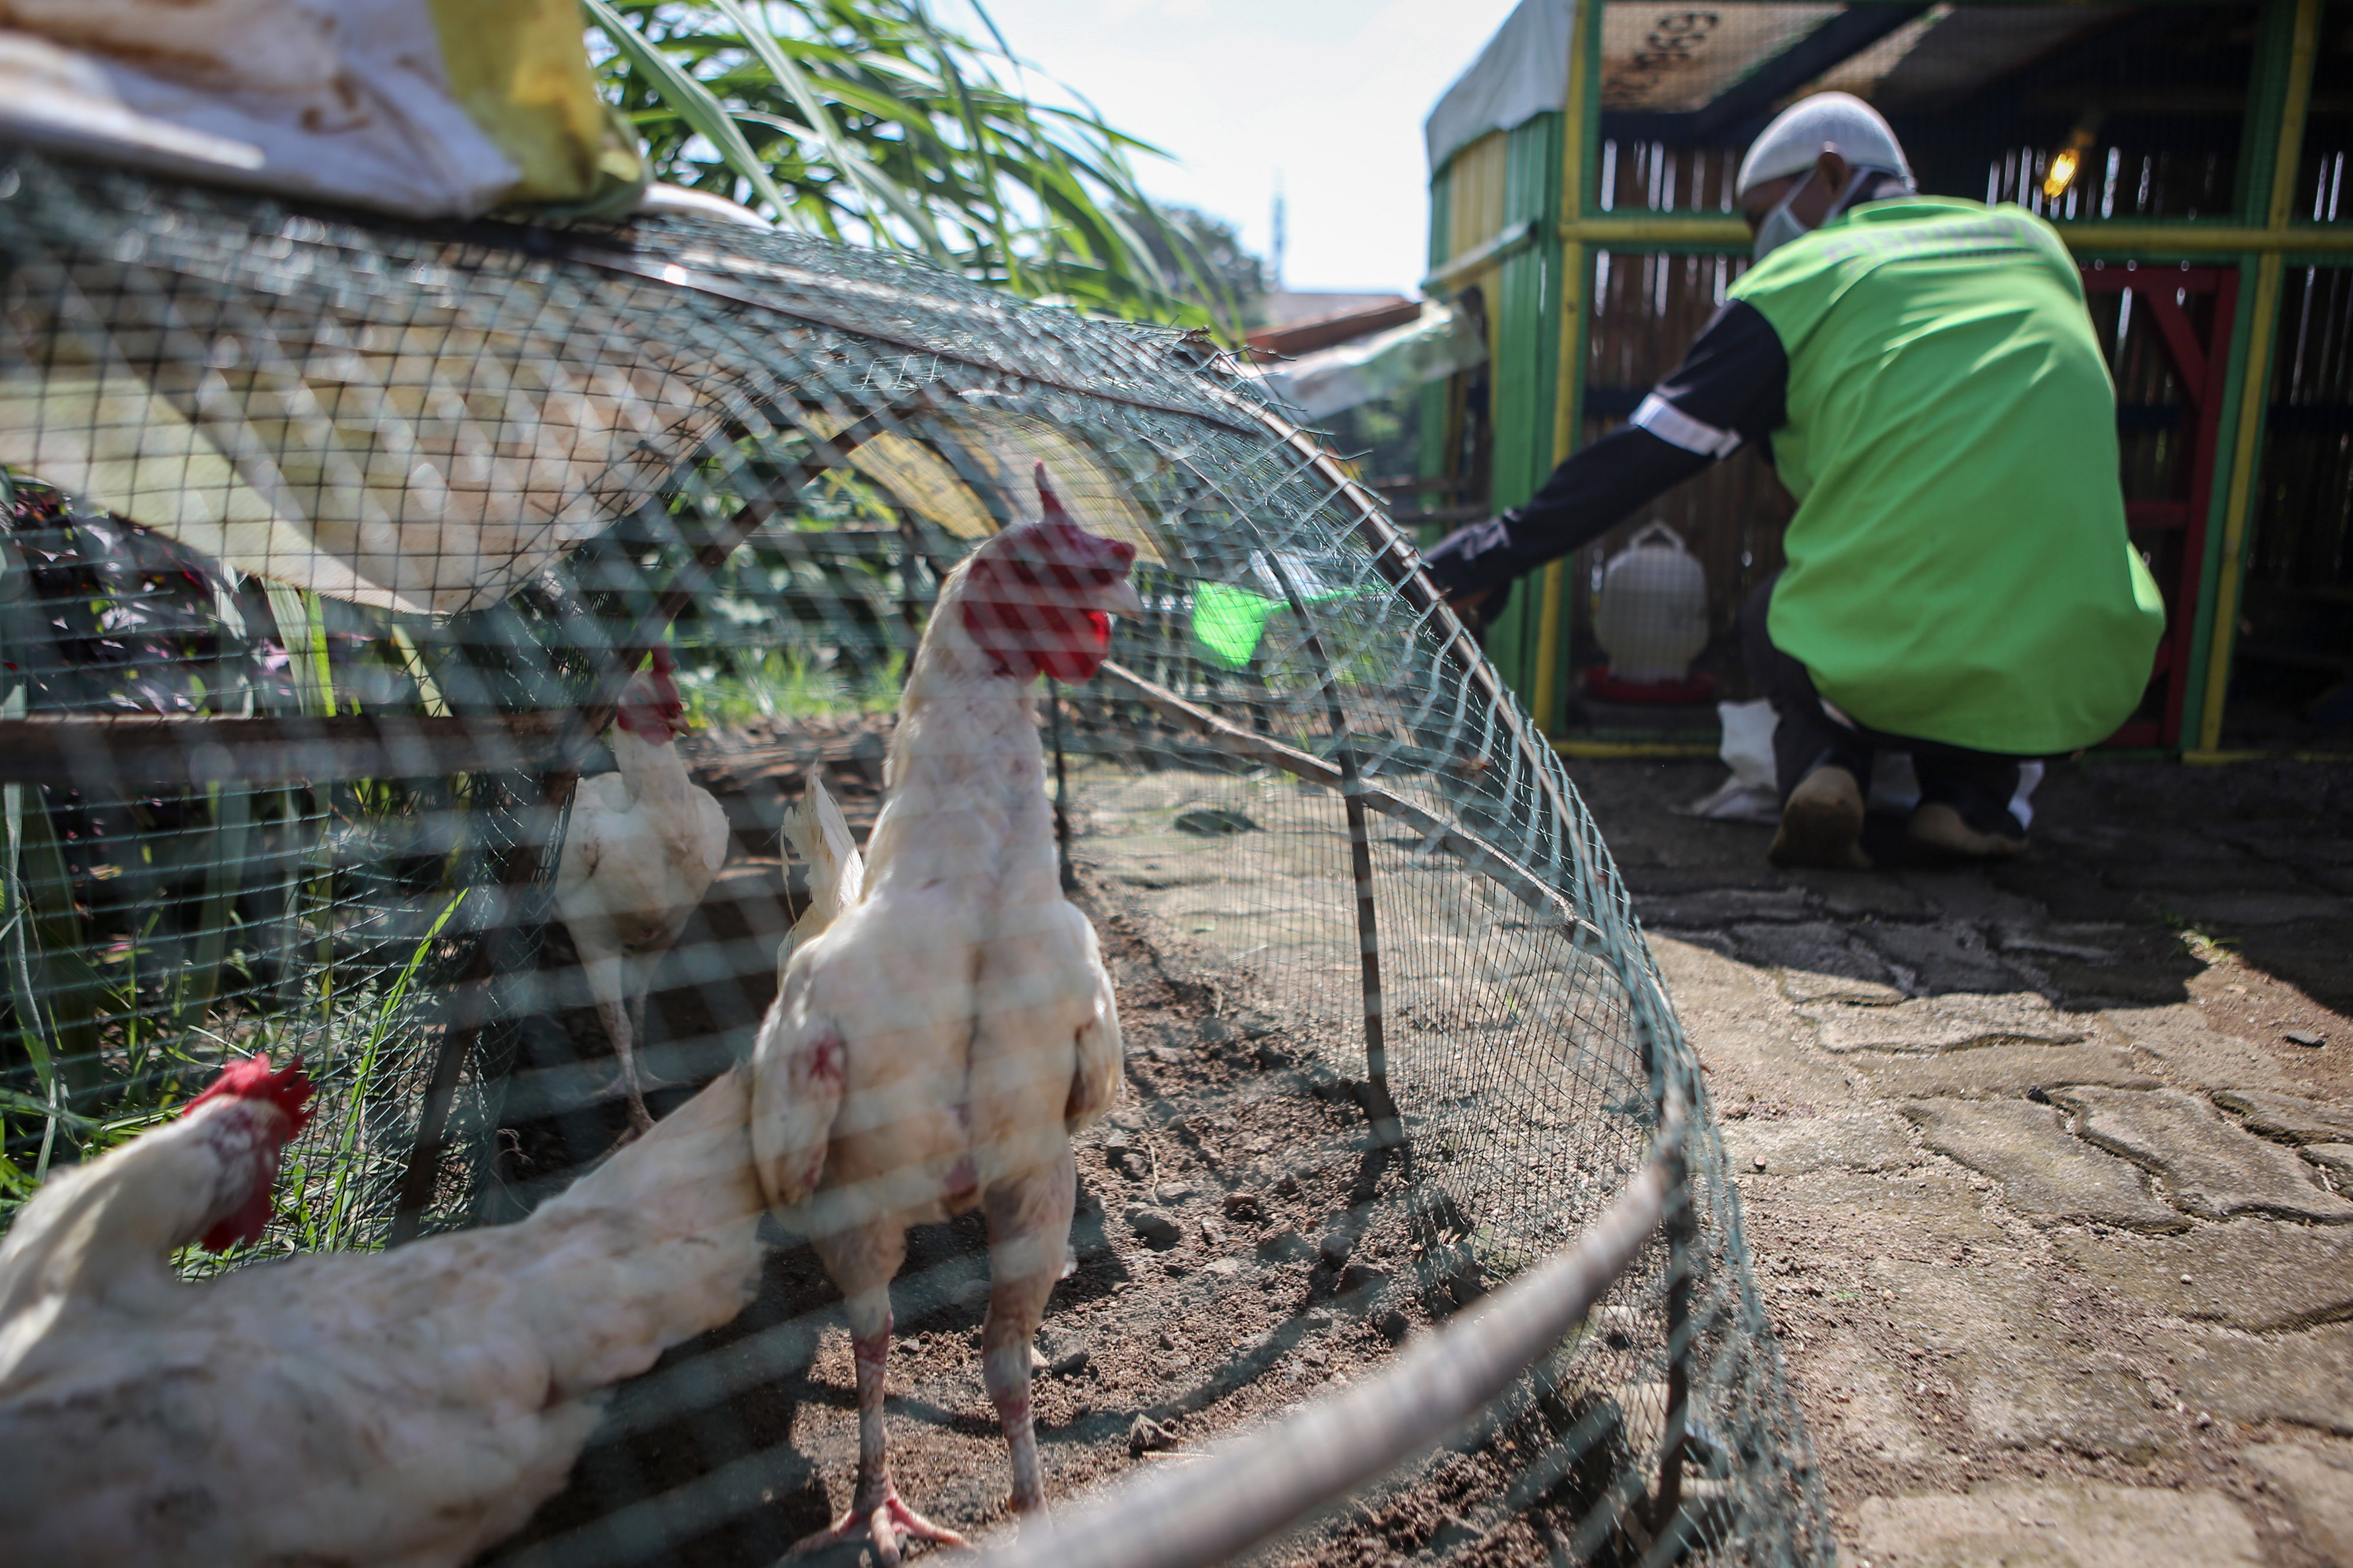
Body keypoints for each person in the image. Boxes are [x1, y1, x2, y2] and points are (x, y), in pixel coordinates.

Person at [1421, 92, 2164, 870]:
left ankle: (1824, 770)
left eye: (1758, 218)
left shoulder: (1806, 274)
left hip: (1890, 647)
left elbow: (1644, 455)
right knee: (1987, 604)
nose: (1757, 245)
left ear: (1831, 173)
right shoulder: (2034, 244)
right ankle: (1975, 803)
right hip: (2084, 651)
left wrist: (1490, 555)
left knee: (1774, 614)